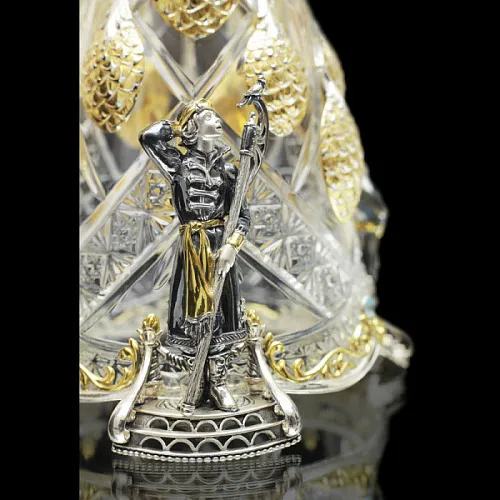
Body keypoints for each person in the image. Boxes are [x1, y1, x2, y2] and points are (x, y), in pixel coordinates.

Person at [139, 100, 251, 411]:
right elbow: (149, 137)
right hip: (191, 248)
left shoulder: (230, 170)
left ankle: (218, 383)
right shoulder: (179, 164)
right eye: (210, 117)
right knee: (192, 316)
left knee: (222, 316)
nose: (218, 122)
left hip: (219, 246)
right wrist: (181, 125)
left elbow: (243, 217)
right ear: (195, 126)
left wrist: (232, 246)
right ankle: (196, 379)